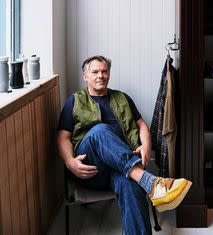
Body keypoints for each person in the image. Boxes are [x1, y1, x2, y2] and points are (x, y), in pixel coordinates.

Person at [57, 55, 191, 234]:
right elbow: (62, 136)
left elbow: (141, 124)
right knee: (99, 131)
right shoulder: (74, 101)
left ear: (109, 74)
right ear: (85, 77)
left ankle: (144, 181)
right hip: (91, 168)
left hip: (121, 167)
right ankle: (150, 182)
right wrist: (69, 161)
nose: (100, 76)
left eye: (104, 71)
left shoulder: (122, 98)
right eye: (95, 72)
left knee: (131, 183)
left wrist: (146, 145)